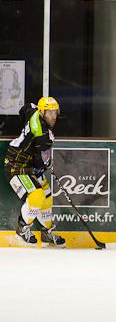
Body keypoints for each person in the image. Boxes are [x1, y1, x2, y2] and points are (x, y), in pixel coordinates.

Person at [4, 97, 65, 247]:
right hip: (15, 165)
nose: (53, 116)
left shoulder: (33, 111)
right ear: (42, 112)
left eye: (54, 112)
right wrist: (46, 163)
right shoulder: (43, 136)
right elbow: (41, 161)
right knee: (37, 196)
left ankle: (46, 232)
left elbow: (24, 109)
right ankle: (22, 228)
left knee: (47, 196)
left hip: (29, 166)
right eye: (49, 113)